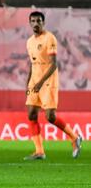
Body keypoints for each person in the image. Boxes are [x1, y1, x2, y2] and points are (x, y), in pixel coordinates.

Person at [24, 11, 83, 160]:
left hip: (48, 81)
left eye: (38, 21)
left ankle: (74, 137)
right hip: (34, 82)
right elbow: (33, 63)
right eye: (33, 21)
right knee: (31, 114)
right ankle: (39, 151)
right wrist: (28, 82)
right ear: (30, 23)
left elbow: (53, 65)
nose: (36, 23)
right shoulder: (30, 41)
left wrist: (40, 83)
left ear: (43, 23)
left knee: (50, 116)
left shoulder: (50, 38)